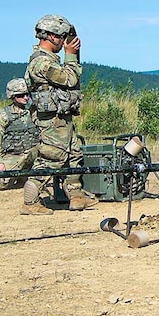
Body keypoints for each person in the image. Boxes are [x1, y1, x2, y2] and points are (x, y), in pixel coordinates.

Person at [23, 14, 97, 214]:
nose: (65, 41)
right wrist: (71, 55)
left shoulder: (49, 60)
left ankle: (76, 196)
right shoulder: (41, 63)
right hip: (52, 121)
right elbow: (69, 79)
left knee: (74, 154)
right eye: (62, 37)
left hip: (62, 117)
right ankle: (30, 203)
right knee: (51, 157)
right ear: (51, 36)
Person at [0, 78, 40, 190]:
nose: (25, 97)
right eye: (21, 95)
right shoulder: (3, 115)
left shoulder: (34, 112)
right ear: (13, 97)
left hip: (36, 154)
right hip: (14, 156)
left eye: (26, 94)